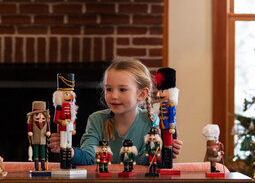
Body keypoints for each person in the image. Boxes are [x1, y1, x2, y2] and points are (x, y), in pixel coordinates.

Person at [49, 58, 182, 166]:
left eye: (122, 90)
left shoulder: (151, 120)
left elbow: (143, 159)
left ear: (142, 94)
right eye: (109, 89)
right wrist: (68, 150)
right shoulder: (96, 120)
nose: (114, 96)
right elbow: (89, 157)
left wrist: (161, 154)